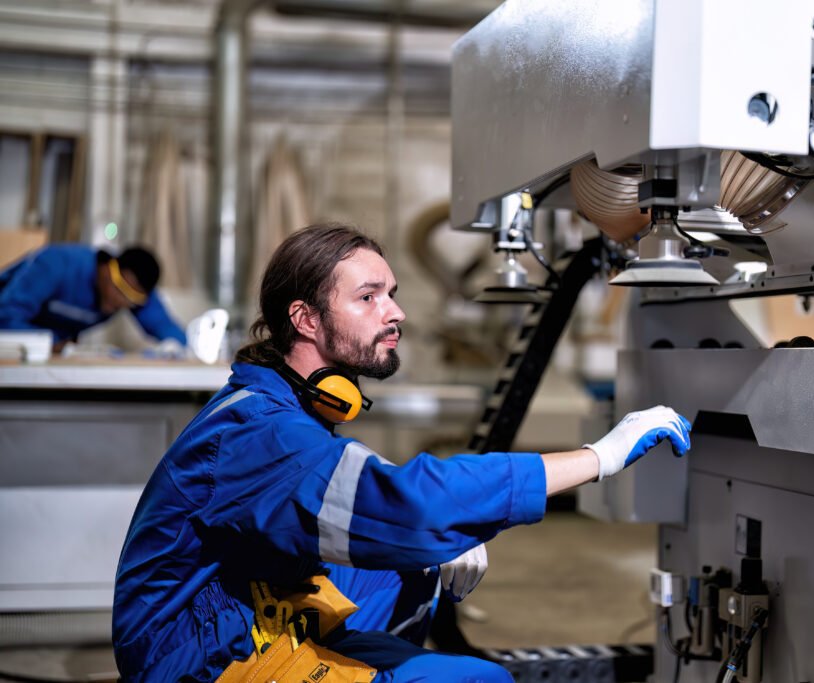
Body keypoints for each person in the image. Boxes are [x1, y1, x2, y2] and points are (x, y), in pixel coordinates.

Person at [112, 223, 691, 682]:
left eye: (391, 294)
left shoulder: (279, 401)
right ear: (306, 319)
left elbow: (360, 511)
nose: (396, 312)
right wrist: (599, 457)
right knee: (476, 680)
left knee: (414, 566)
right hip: (200, 661)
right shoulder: (262, 432)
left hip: (243, 611)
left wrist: (428, 554)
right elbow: (406, 506)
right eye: (369, 297)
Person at [0, 243, 186, 350]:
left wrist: (178, 348)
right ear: (107, 268)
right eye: (120, 290)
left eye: (131, 300)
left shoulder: (132, 292)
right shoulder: (56, 264)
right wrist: (51, 342)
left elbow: (168, 329)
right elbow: (6, 315)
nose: (122, 302)